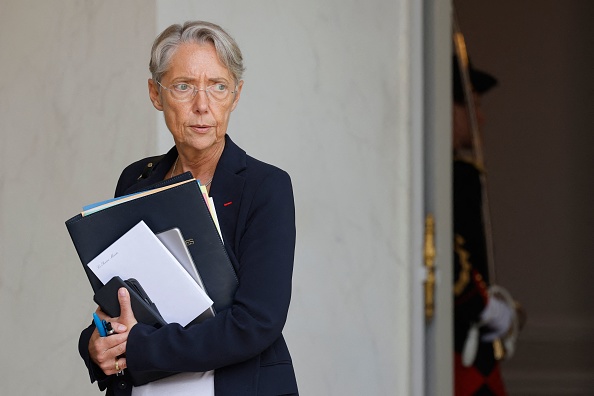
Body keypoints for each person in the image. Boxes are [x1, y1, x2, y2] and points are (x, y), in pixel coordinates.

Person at [78, 21, 298, 396]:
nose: (202, 105)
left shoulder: (266, 187)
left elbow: (257, 322)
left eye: (218, 86)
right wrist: (94, 344)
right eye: (183, 86)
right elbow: (120, 302)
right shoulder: (136, 180)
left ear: (236, 94)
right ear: (156, 93)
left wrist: (141, 347)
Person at [452, 57, 520, 396]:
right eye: (472, 106)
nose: (481, 118)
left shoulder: (463, 173)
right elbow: (454, 258)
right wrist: (484, 308)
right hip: (459, 342)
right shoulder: (457, 177)